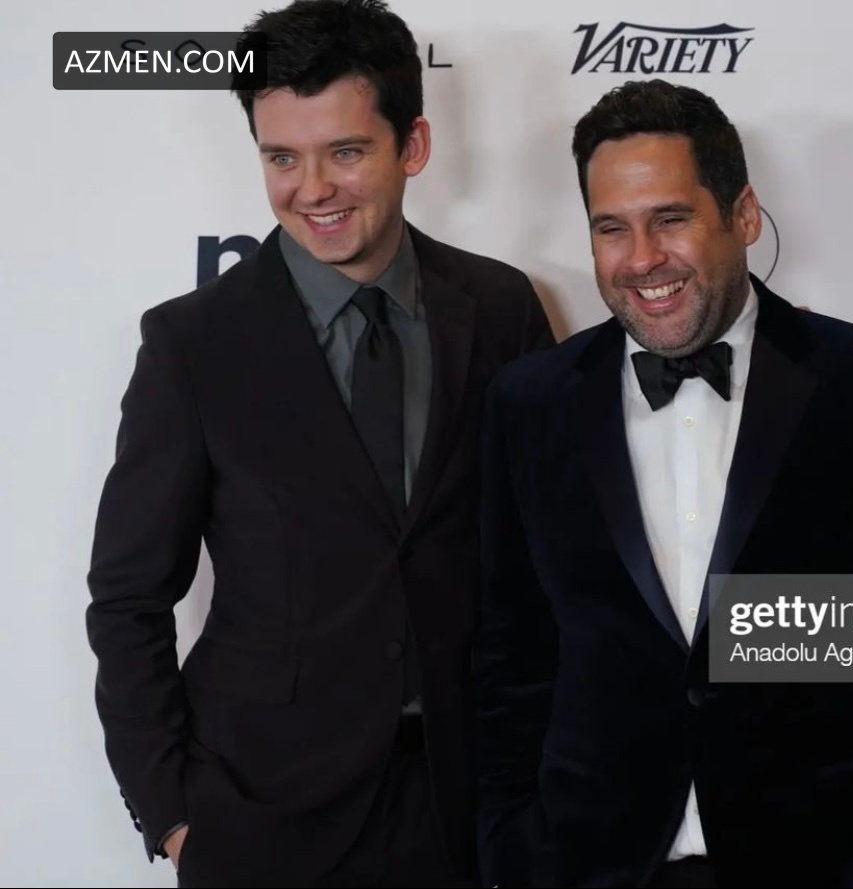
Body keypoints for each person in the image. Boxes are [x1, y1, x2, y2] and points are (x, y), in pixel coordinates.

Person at [473, 79, 853, 889]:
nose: (641, 258)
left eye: (670, 218)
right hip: (593, 864)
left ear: (742, 215)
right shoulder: (529, 402)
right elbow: (510, 654)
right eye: (610, 227)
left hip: (831, 865)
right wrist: (512, 844)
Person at [85, 1, 553, 886]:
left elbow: (548, 557)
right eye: (281, 157)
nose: (311, 189)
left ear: (412, 145)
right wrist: (174, 812)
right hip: (260, 815)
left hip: (469, 809)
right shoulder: (192, 343)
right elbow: (127, 596)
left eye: (344, 151)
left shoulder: (500, 308)